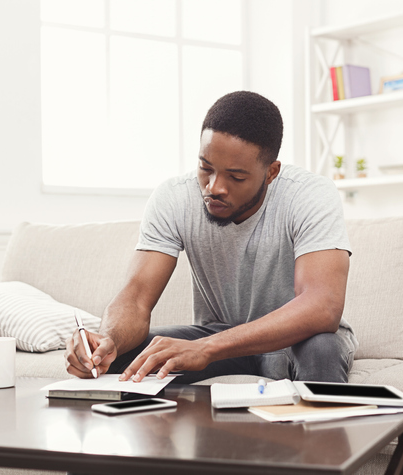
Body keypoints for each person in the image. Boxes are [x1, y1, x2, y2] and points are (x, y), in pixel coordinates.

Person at [65, 91, 358, 384]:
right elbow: (137, 297)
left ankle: (322, 430)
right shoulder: (174, 198)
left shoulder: (309, 195)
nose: (214, 187)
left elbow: (323, 306)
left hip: (298, 339)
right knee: (124, 360)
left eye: (236, 177)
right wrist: (108, 341)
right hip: (218, 338)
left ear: (271, 173)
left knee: (322, 349)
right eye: (206, 168)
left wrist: (206, 348)